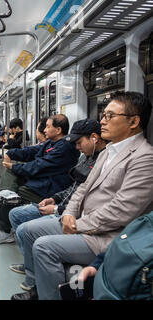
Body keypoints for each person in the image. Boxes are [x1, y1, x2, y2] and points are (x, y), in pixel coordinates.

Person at [11, 91, 153, 300]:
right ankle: (36, 287)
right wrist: (68, 213)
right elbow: (83, 188)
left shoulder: (144, 158)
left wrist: (78, 225)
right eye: (103, 115)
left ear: (134, 121)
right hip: (80, 220)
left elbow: (122, 210)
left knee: (43, 247)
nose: (102, 121)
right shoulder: (107, 152)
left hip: (106, 235)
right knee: (27, 230)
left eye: (110, 116)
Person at [7, 119, 107, 280]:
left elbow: (86, 198)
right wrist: (54, 199)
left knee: (24, 224)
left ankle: (33, 277)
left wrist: (57, 209)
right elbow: (75, 189)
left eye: (79, 142)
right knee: (16, 213)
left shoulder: (102, 160)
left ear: (94, 138)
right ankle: (31, 267)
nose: (77, 147)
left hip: (77, 216)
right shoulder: (85, 157)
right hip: (61, 202)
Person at [0, 114, 79, 245]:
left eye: (47, 127)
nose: (44, 130)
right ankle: (7, 194)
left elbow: (40, 166)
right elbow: (30, 151)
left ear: (58, 130)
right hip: (42, 181)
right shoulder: (51, 143)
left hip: (50, 187)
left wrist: (15, 167)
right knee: (7, 189)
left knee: (13, 188)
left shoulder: (65, 148)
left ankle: (5, 231)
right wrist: (10, 153)